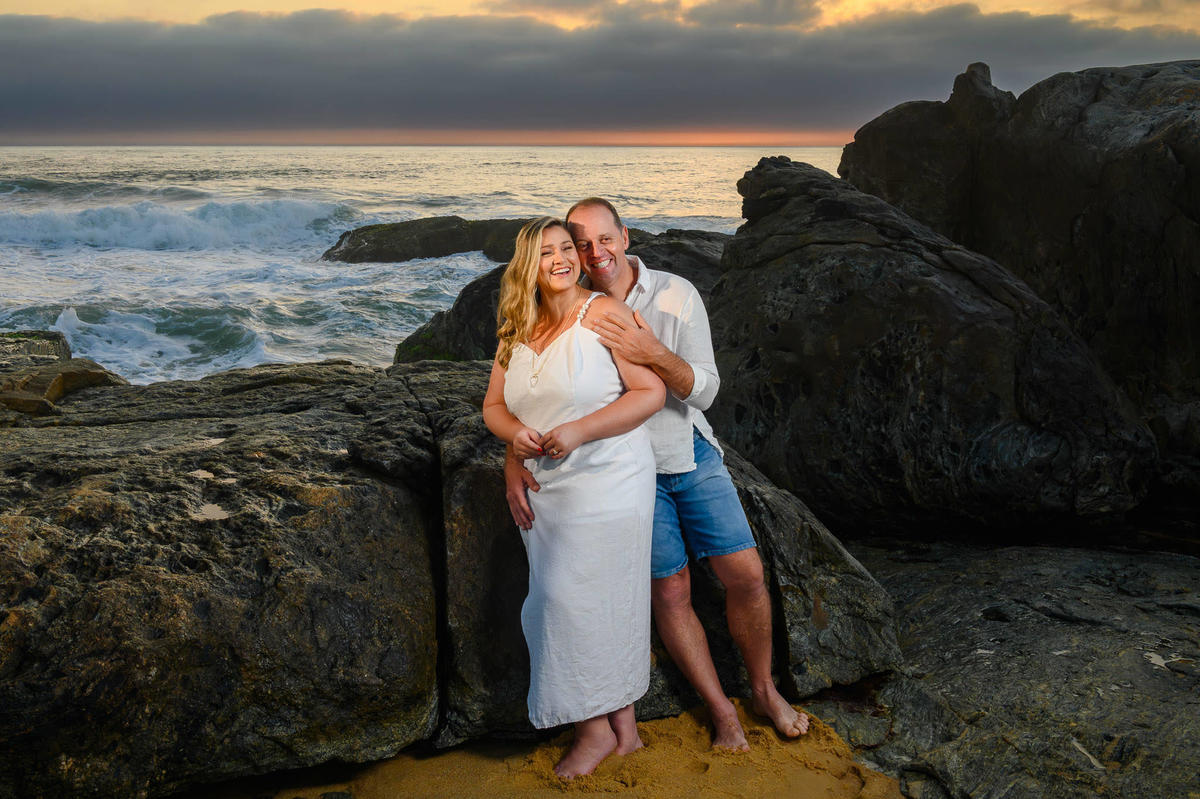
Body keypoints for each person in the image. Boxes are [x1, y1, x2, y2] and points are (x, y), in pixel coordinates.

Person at [505, 199, 809, 751]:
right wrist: (512, 457)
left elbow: (706, 391)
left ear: (625, 237)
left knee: (745, 574)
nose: (595, 252)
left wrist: (651, 351)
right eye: (581, 243)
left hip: (687, 453)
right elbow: (536, 395)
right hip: (622, 473)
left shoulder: (674, 293)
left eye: (604, 239)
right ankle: (721, 712)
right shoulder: (572, 304)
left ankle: (764, 690)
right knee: (670, 591)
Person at [482, 216, 666, 778]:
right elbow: (495, 406)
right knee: (592, 602)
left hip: (610, 478)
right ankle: (625, 731)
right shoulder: (515, 326)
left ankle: (592, 732)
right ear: (527, 264)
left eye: (567, 248)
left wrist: (581, 431)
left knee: (566, 600)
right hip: (549, 487)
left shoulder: (605, 313)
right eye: (547, 252)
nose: (561, 259)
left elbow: (650, 392)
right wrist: (515, 439)